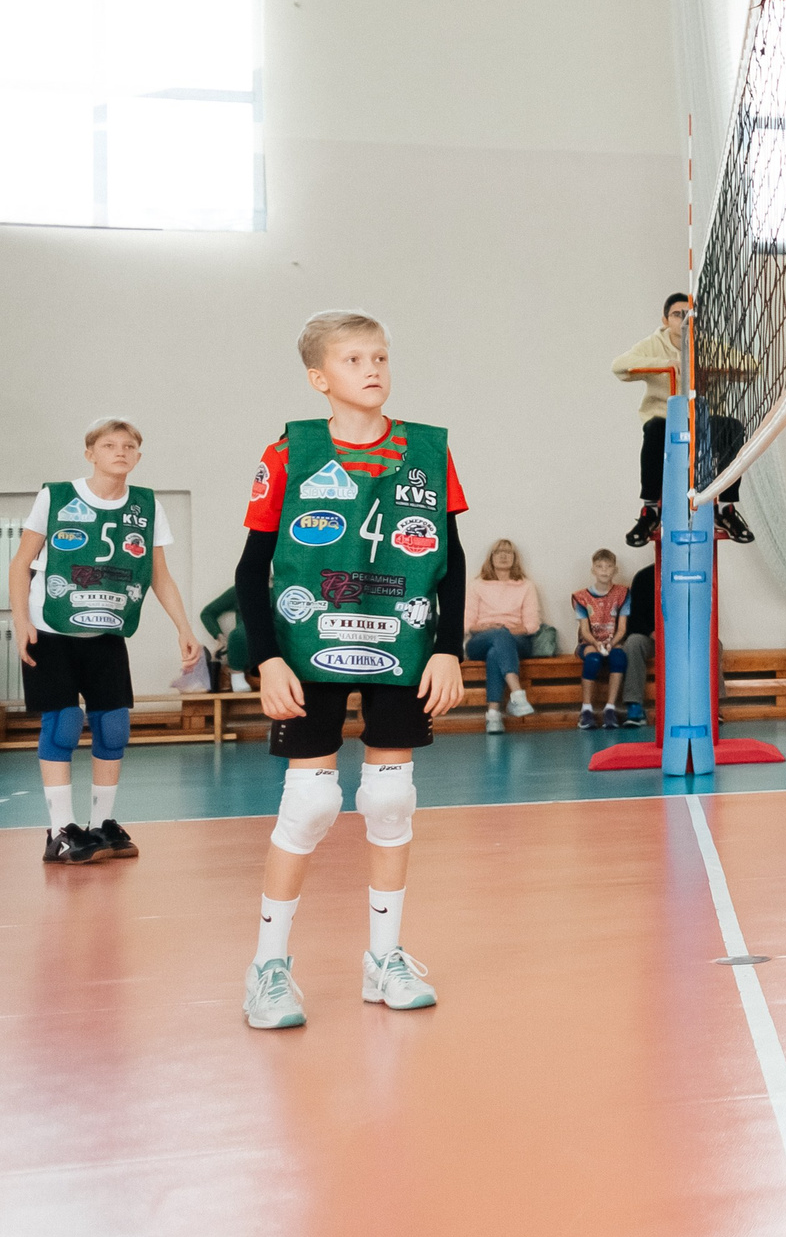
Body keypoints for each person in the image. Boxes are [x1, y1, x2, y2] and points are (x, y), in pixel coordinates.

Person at [238, 310, 465, 1029]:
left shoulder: (427, 451)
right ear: (319, 378)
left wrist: (449, 647)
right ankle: (268, 967)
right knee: (309, 804)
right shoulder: (289, 452)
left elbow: (453, 560)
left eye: (380, 357)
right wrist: (266, 657)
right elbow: (250, 569)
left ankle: (384, 958)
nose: (372, 369)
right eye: (354, 359)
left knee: (391, 798)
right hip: (309, 644)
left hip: (401, 642)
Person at [8, 417, 200, 865]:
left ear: (138, 456)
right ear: (90, 453)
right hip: (50, 628)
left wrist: (184, 628)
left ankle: (101, 825)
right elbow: (20, 564)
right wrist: (21, 621)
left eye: (129, 446)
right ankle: (60, 832)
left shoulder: (147, 506)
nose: (120, 452)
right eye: (110, 445)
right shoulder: (56, 496)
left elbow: (159, 575)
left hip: (106, 630)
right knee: (62, 724)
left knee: (113, 727)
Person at [612, 292, 753, 547]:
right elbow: (619, 366)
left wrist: (709, 365)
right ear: (666, 320)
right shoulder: (654, 344)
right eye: (678, 314)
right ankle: (650, 510)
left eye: (690, 314)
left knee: (732, 427)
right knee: (654, 427)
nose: (685, 319)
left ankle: (726, 509)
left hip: (703, 420)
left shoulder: (707, 345)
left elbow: (751, 366)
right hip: (667, 419)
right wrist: (665, 363)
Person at [464, 539, 544, 733]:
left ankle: (493, 714)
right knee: (497, 639)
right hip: (481, 640)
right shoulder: (477, 585)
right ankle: (517, 694)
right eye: (498, 552)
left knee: (495, 652)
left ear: (515, 558)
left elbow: (532, 625)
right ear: (490, 558)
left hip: (518, 641)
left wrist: (504, 631)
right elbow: (467, 625)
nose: (503, 556)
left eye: (508, 552)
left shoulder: (526, 586)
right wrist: (490, 627)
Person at [570, 549, 629, 730]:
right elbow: (585, 630)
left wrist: (612, 642)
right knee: (593, 659)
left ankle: (610, 708)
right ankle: (586, 710)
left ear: (615, 570)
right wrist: (596, 643)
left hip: (613, 640)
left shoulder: (623, 593)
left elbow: (622, 628)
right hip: (590, 642)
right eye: (599, 566)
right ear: (593, 570)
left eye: (608, 566)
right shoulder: (581, 597)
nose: (604, 570)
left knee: (619, 658)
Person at [199, 584, 253, 690]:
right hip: (245, 654)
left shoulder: (281, 588)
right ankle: (237, 674)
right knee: (240, 633)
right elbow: (207, 613)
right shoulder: (243, 589)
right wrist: (220, 638)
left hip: (277, 653)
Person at [621, 561, 655, 730]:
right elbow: (635, 618)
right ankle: (634, 705)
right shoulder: (644, 577)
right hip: (652, 638)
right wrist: (652, 632)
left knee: (714, 644)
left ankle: (712, 706)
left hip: (685, 638)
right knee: (633, 642)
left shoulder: (692, 576)